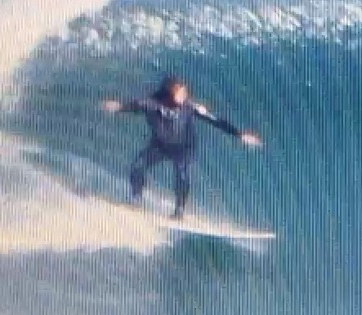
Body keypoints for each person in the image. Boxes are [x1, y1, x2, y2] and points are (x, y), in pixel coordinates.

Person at [102, 75, 262, 219]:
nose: (185, 95)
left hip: (184, 147)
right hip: (160, 146)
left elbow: (216, 121)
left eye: (184, 92)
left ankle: (179, 211)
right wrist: (117, 107)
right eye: (180, 92)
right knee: (138, 166)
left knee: (182, 173)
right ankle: (136, 200)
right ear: (168, 93)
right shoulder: (149, 104)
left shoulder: (190, 107)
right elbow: (130, 106)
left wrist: (239, 134)